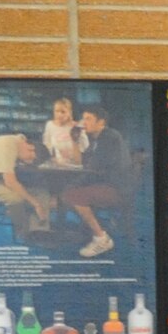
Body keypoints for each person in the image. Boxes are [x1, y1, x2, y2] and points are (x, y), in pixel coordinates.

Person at [60, 104, 130, 258]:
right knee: (68, 193)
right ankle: (91, 228)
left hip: (116, 188)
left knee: (72, 195)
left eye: (88, 119)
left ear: (101, 122)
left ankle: (101, 238)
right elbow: (87, 164)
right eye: (83, 118)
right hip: (109, 183)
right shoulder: (98, 138)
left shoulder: (108, 137)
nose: (83, 122)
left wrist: (72, 184)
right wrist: (75, 141)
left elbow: (93, 169)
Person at [0, 131, 50, 239]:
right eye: (31, 159)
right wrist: (35, 203)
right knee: (15, 198)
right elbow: (10, 182)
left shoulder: (18, 141)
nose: (29, 162)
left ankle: (38, 232)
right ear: (30, 148)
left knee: (41, 192)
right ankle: (22, 232)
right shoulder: (8, 147)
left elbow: (22, 137)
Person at [40, 96, 85, 166]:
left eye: (63, 112)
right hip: (56, 165)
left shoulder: (76, 127)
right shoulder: (49, 125)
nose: (59, 114)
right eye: (57, 111)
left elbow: (84, 148)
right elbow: (46, 145)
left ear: (69, 112)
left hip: (75, 166)